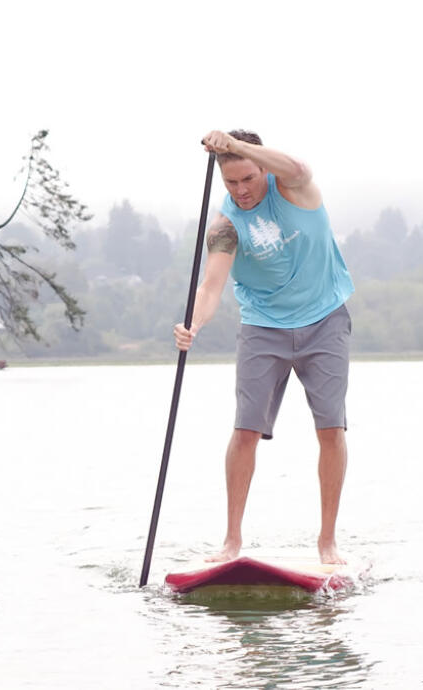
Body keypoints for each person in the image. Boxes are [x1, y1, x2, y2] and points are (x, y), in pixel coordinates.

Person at [173, 129, 355, 564]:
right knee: (245, 430)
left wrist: (234, 147)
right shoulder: (225, 225)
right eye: (231, 183)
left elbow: (298, 167)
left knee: (331, 428)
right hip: (263, 328)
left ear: (262, 170)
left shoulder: (292, 187)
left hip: (324, 320)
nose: (242, 191)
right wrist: (192, 326)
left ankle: (327, 543)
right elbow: (212, 285)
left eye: (248, 180)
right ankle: (232, 541)